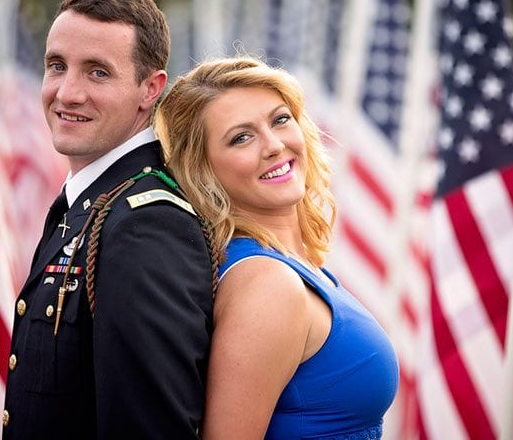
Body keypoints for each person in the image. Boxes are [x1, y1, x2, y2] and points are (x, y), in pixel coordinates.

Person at [3, 0, 213, 440]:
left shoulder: (145, 225)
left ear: (149, 89)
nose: (67, 93)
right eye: (56, 66)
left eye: (97, 73)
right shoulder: (89, 201)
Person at [154, 56, 399, 439]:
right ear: (203, 171)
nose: (273, 145)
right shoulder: (268, 285)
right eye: (241, 137)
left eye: (280, 120)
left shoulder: (289, 265)